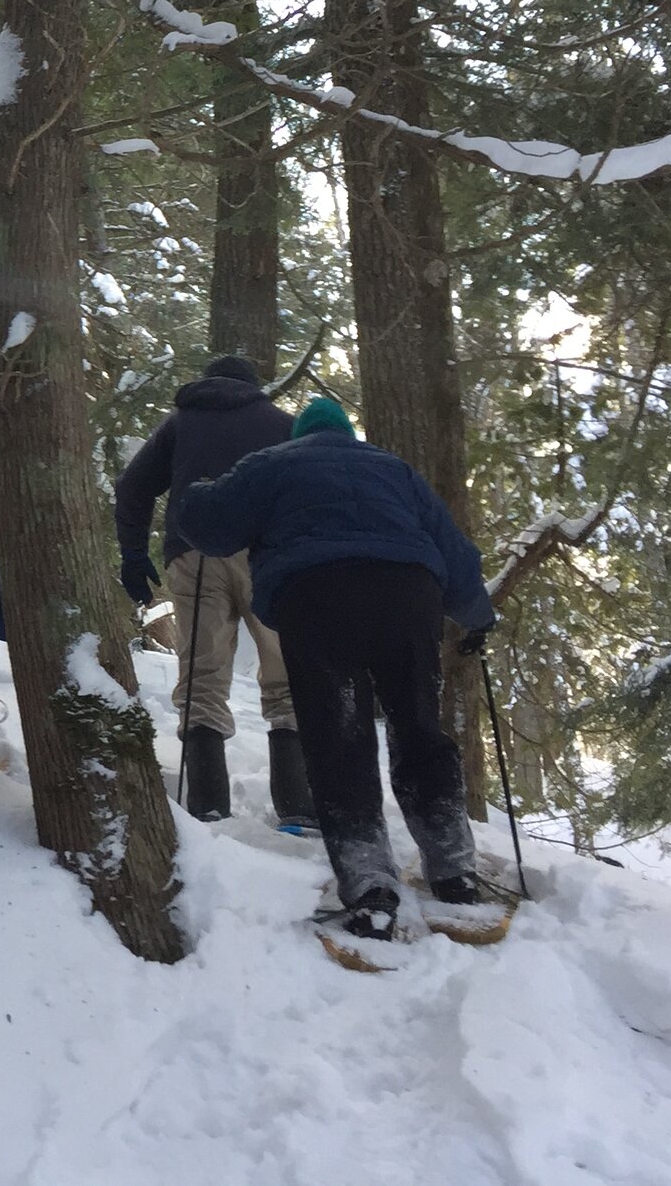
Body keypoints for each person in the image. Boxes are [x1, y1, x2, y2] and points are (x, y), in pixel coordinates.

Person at [175, 395, 499, 941]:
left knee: (338, 733)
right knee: (418, 725)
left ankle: (370, 886)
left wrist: (194, 488)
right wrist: (477, 616)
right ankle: (455, 870)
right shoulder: (395, 469)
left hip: (318, 598)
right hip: (408, 594)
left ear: (300, 434)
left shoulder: (274, 464)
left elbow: (209, 527)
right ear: (347, 433)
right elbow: (456, 553)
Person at [113, 354, 309, 827]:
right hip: (266, 557)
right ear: (254, 386)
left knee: (202, 676)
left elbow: (132, 488)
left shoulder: (181, 423)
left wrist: (134, 556)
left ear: (206, 383)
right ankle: (299, 808)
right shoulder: (282, 424)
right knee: (288, 678)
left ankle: (207, 806)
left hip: (194, 552)